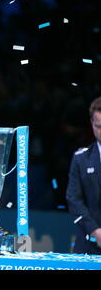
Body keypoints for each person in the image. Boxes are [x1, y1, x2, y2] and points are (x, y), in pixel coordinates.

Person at [66, 97, 101, 254]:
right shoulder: (81, 159)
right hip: (87, 245)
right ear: (91, 124)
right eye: (98, 126)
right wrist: (95, 231)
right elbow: (73, 199)